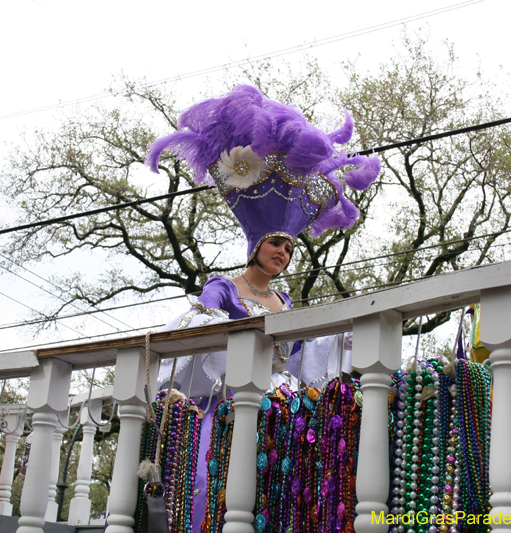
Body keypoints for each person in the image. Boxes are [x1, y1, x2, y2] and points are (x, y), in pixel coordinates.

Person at [144, 84, 380, 532]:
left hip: (280, 419)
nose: (283, 255)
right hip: (231, 410)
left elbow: (304, 352)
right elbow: (195, 330)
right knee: (215, 490)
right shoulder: (223, 288)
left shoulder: (284, 302)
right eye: (276, 244)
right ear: (256, 244)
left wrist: (343, 336)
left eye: (290, 249)